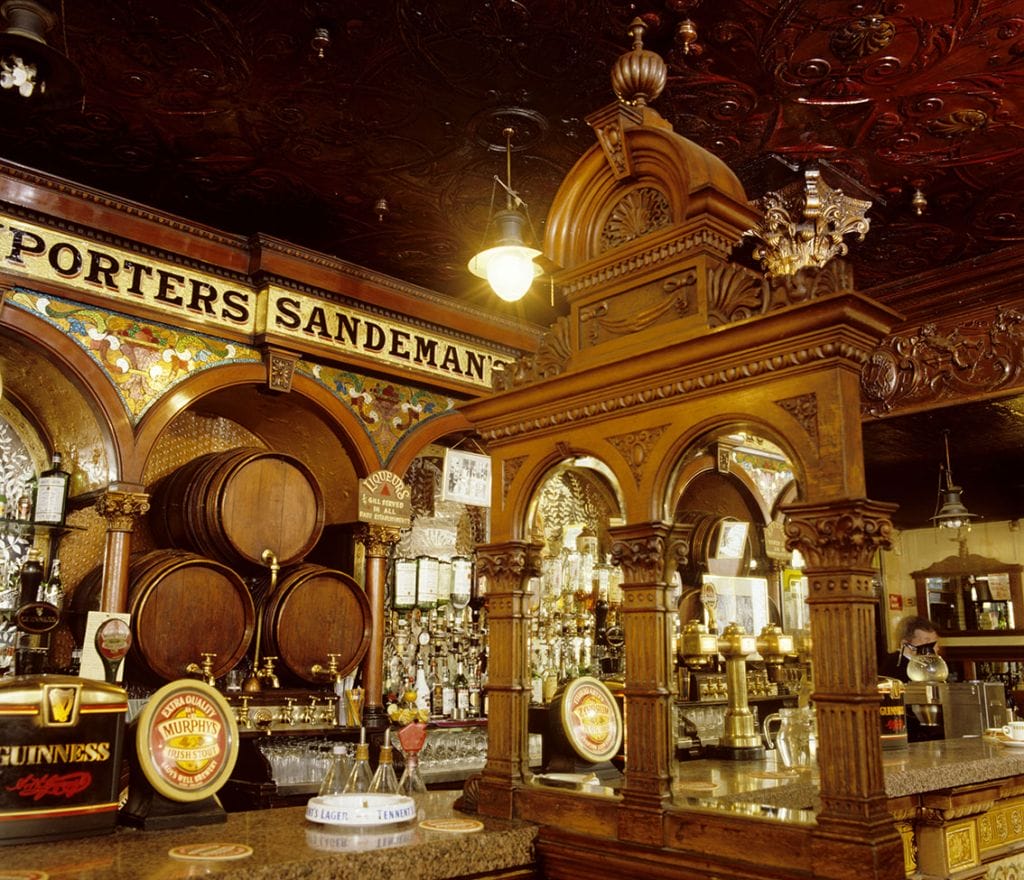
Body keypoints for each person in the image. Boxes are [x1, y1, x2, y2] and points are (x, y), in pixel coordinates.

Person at [879, 614, 942, 742]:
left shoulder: (928, 665)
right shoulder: (894, 666)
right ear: (905, 644)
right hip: (910, 734)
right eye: (926, 642)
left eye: (934, 642)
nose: (934, 648)